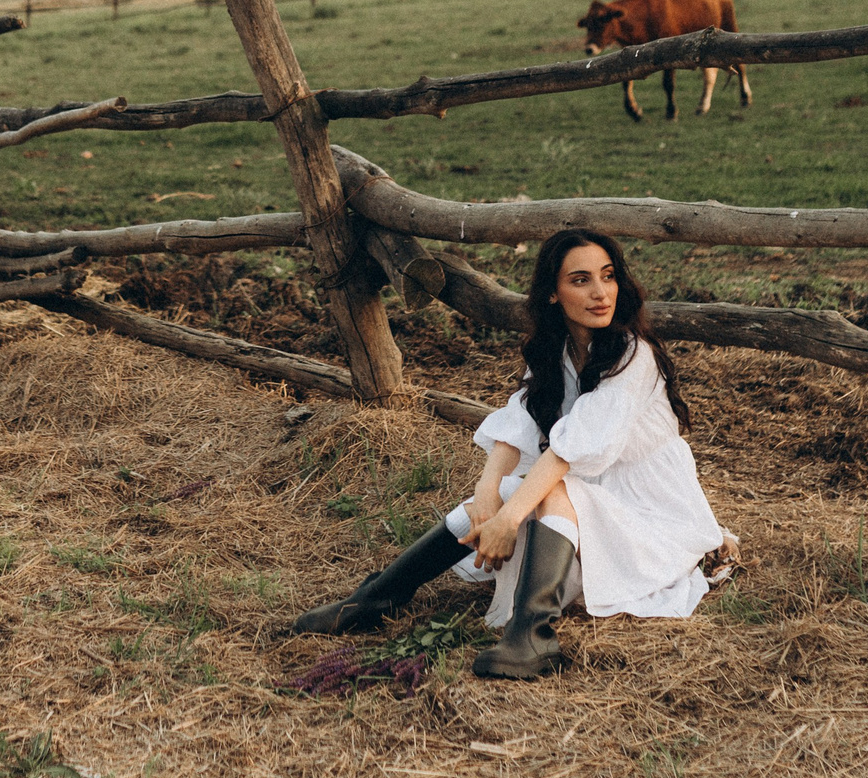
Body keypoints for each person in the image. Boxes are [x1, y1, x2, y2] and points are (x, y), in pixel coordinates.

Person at [289, 228, 736, 679]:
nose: (601, 294)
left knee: (544, 491)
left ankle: (533, 635)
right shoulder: (555, 349)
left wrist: (507, 518)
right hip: (590, 488)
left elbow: (568, 452)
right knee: (508, 495)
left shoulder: (632, 356)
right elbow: (518, 423)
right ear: (553, 295)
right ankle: (375, 599)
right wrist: (488, 494)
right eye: (581, 280)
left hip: (649, 507)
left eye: (608, 276)